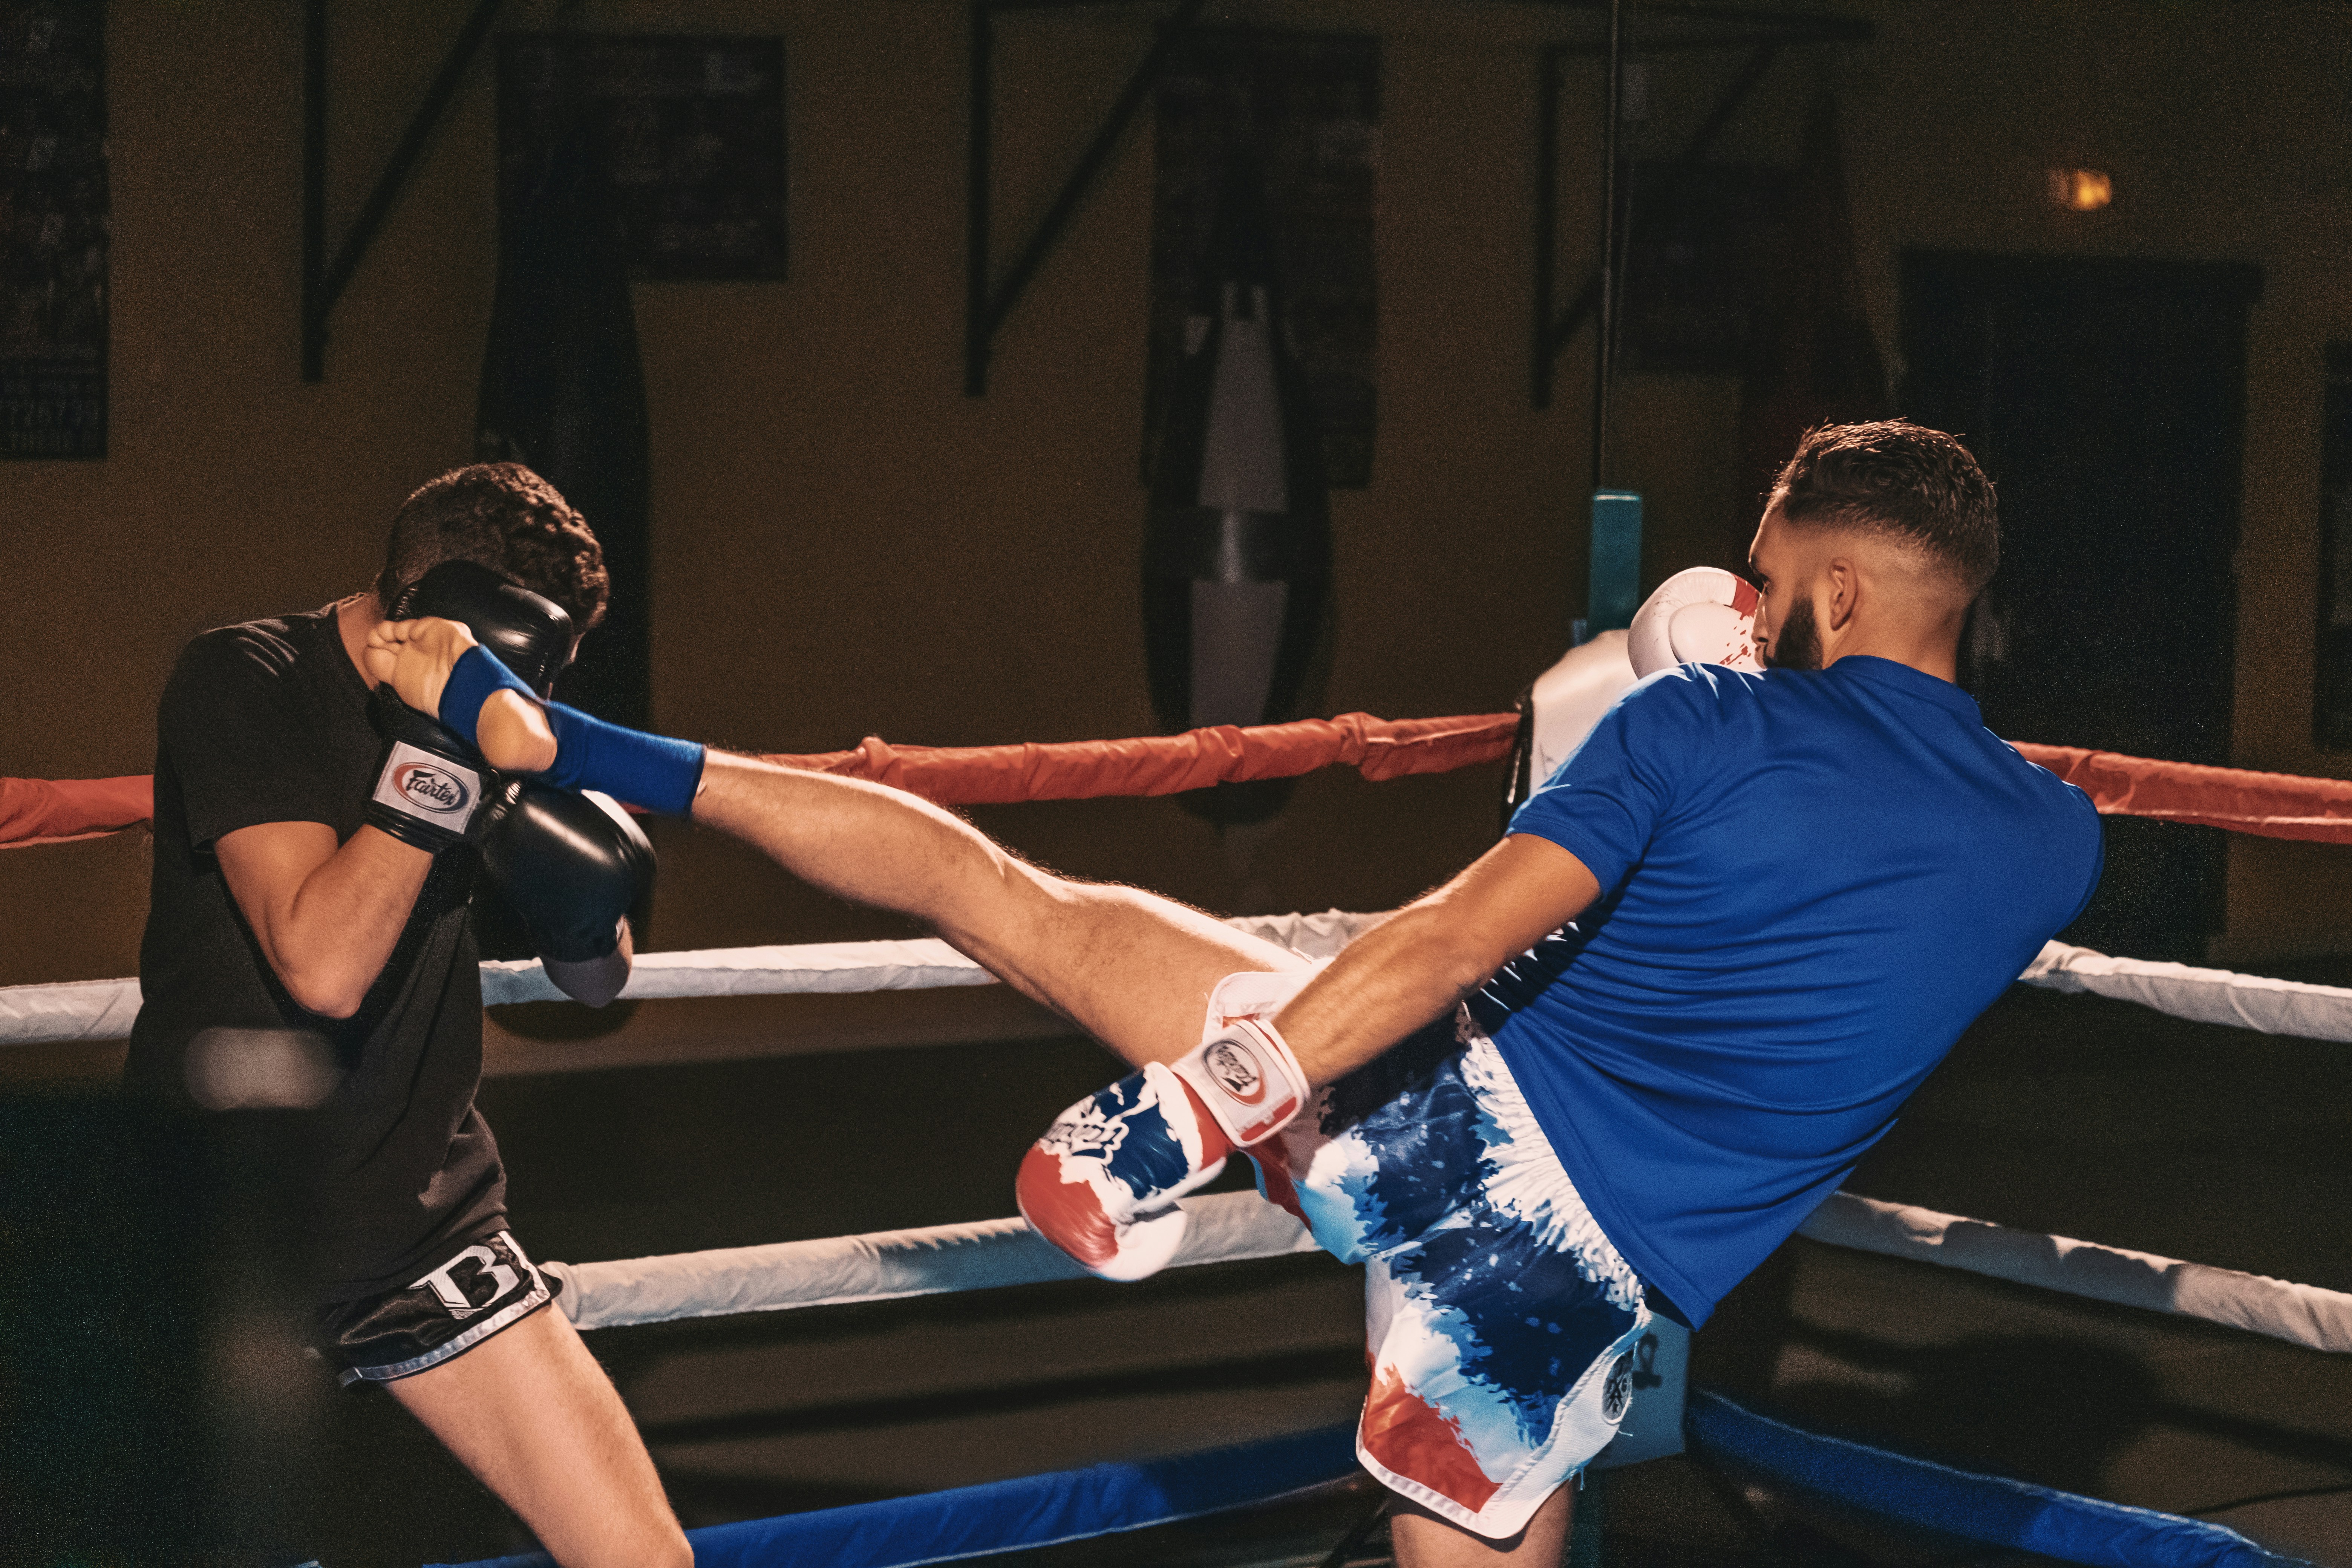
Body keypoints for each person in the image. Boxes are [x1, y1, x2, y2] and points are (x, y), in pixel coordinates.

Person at [369, 421, 2103, 1567]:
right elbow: (1791, 968)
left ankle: (570, 735)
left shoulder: (1702, 721)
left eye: (1772, 570)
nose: (1746, 599)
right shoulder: (2050, 848)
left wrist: (1212, 1095)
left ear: (1846, 585)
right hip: (1570, 1295)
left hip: (1427, 1113)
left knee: (998, 888)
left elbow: (1444, 939)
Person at [127, 464, 689, 1568]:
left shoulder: (497, 715)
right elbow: (322, 965)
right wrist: (437, 762)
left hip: (419, 1223)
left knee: (642, 1560)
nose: (533, 695)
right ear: (432, 620)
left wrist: (582, 898)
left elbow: (597, 987)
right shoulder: (247, 677)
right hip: (226, 1231)